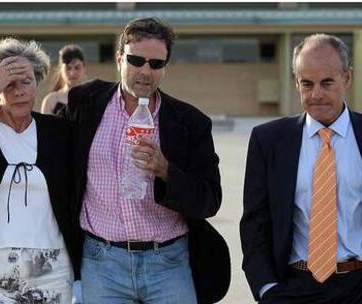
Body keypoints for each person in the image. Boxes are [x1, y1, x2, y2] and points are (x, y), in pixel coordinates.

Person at [63, 17, 229, 303]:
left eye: (156, 64)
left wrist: (166, 171)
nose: (145, 72)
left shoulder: (190, 122)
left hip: (167, 262)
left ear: (165, 67)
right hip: (101, 262)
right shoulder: (85, 103)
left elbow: (209, 200)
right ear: (119, 59)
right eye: (136, 60)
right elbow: (45, 146)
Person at [0, 38, 80, 303]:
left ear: (37, 82)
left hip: (51, 268)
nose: (18, 91)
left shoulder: (57, 131)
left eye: (26, 81)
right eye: (8, 84)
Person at [240, 33, 362, 304]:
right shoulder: (268, 140)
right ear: (296, 83)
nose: (316, 94)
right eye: (307, 84)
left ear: (347, 78)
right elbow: (255, 225)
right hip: (295, 287)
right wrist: (267, 289)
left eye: (327, 82)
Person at [41, 44, 86, 115]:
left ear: (84, 68)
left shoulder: (92, 99)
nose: (72, 73)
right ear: (61, 70)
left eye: (77, 67)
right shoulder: (51, 100)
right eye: (68, 68)